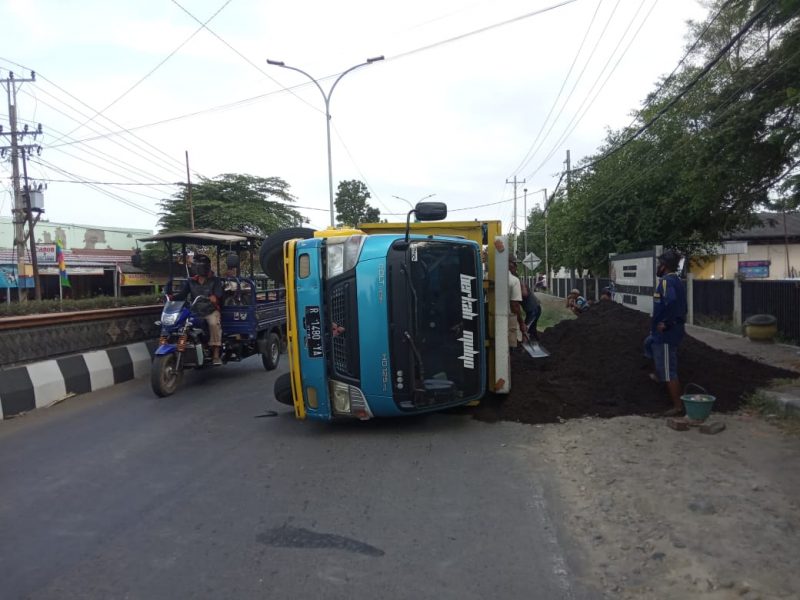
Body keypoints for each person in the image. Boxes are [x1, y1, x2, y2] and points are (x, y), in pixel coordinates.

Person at [644, 250, 688, 416]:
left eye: (659, 264)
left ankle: (677, 406)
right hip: (659, 334)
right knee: (648, 343)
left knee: (670, 371)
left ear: (664, 266)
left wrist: (667, 323)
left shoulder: (667, 283)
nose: (657, 267)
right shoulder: (673, 281)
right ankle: (657, 372)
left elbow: (673, 303)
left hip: (667, 335)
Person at [173, 254, 224, 365]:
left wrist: (214, 297)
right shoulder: (190, 281)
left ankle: (215, 354)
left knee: (213, 324)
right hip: (194, 311)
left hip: (210, 310)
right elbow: (182, 295)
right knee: (181, 324)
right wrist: (170, 297)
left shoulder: (215, 280)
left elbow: (218, 294)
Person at [508, 256, 529, 352]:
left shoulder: (490, 276)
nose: (516, 267)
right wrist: (521, 323)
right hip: (508, 317)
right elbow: (515, 305)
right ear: (510, 265)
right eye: (515, 264)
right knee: (509, 347)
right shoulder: (514, 280)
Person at [520, 273, 542, 340]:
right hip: (532, 310)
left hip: (534, 310)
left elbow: (525, 294)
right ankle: (536, 341)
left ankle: (525, 346)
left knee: (526, 328)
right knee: (532, 328)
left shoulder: (521, 284)